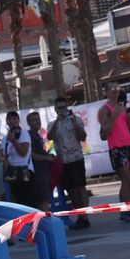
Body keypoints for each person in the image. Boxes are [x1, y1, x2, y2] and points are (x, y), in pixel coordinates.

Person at [96, 85, 130, 216]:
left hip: (129, 145)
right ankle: (124, 212)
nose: (115, 91)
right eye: (112, 89)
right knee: (126, 180)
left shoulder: (122, 107)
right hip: (117, 148)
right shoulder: (105, 109)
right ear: (106, 92)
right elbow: (105, 133)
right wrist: (114, 116)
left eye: (117, 88)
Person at [47, 94, 90, 228]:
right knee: (71, 189)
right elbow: (50, 137)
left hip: (76, 158)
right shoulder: (52, 124)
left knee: (81, 187)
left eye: (64, 107)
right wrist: (58, 121)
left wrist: (72, 122)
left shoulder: (75, 119)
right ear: (55, 109)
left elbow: (83, 137)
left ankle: (84, 216)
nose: (62, 110)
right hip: (62, 160)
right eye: (59, 108)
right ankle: (80, 215)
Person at [3, 109, 37, 209]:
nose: (12, 120)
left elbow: (23, 153)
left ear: (18, 120)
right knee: (18, 202)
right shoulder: (5, 138)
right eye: (9, 118)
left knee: (29, 201)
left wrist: (14, 141)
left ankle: (36, 223)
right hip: (13, 173)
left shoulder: (24, 134)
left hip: (25, 171)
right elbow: (4, 155)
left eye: (14, 118)